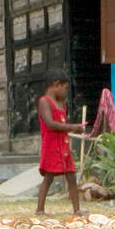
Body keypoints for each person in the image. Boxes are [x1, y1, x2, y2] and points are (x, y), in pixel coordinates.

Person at [37, 73, 86, 215]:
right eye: (64, 88)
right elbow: (51, 124)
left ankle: (77, 210)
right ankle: (40, 209)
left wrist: (73, 128)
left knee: (71, 176)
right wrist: (73, 127)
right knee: (49, 177)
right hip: (51, 145)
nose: (65, 92)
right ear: (56, 84)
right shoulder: (44, 102)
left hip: (63, 144)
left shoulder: (62, 104)